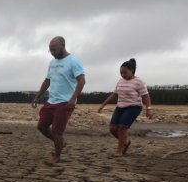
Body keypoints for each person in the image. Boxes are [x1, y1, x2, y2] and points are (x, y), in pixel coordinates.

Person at [31, 36, 86, 164]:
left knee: (57, 131)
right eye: (50, 51)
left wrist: (73, 99)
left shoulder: (73, 61)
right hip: (52, 100)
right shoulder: (52, 63)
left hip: (65, 102)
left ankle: (57, 156)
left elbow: (82, 81)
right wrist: (37, 96)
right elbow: (47, 80)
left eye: (54, 50)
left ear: (62, 46)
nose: (52, 53)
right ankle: (61, 143)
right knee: (42, 126)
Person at [97, 58, 153, 157]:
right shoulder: (120, 81)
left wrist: (148, 109)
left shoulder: (139, 81)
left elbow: (146, 96)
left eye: (125, 72)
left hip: (134, 107)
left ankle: (120, 150)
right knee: (112, 129)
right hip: (120, 107)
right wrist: (103, 105)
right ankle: (125, 142)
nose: (123, 75)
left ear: (131, 70)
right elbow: (114, 95)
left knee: (122, 128)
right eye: (121, 73)